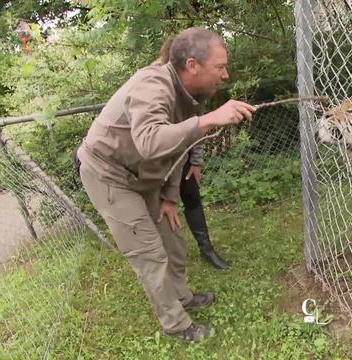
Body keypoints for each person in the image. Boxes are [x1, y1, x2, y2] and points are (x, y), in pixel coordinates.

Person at [75, 28, 255, 341]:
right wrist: (207, 120)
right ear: (192, 65)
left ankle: (183, 298)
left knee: (171, 238)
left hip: (144, 174)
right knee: (148, 252)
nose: (225, 75)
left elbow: (178, 149)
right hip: (109, 173)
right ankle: (176, 325)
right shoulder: (153, 83)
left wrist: (170, 197)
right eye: (220, 67)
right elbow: (149, 141)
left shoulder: (189, 96)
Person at [154, 39, 229, 270]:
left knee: (192, 196)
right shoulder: (157, 86)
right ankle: (168, 257)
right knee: (163, 207)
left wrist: (195, 161)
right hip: (158, 158)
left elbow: (196, 125)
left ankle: (206, 249)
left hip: (183, 154)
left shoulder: (193, 88)